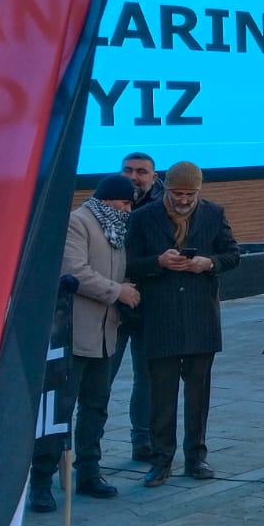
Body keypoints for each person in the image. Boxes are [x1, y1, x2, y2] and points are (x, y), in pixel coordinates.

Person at [27, 176, 140, 514]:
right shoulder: (78, 224)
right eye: (124, 203)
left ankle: (89, 471)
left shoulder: (115, 229)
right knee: (59, 412)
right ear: (108, 201)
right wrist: (117, 291)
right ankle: (41, 482)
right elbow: (74, 272)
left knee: (96, 407)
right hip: (73, 334)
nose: (128, 210)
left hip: (106, 334)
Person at [126, 162, 240, 486]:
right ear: (167, 188)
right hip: (159, 319)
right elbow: (128, 264)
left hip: (200, 318)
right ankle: (161, 460)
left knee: (198, 395)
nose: (184, 200)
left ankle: (196, 457)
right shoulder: (142, 218)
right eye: (178, 193)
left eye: (191, 194)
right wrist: (158, 263)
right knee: (161, 395)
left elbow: (233, 254)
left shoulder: (214, 214)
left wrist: (209, 263)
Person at [110, 151, 161, 462]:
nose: (134, 176)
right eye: (128, 170)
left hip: (149, 305)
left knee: (148, 378)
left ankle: (142, 441)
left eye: (141, 171)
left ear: (154, 177)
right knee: (100, 379)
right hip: (111, 304)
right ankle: (89, 449)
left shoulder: (165, 208)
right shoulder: (106, 203)